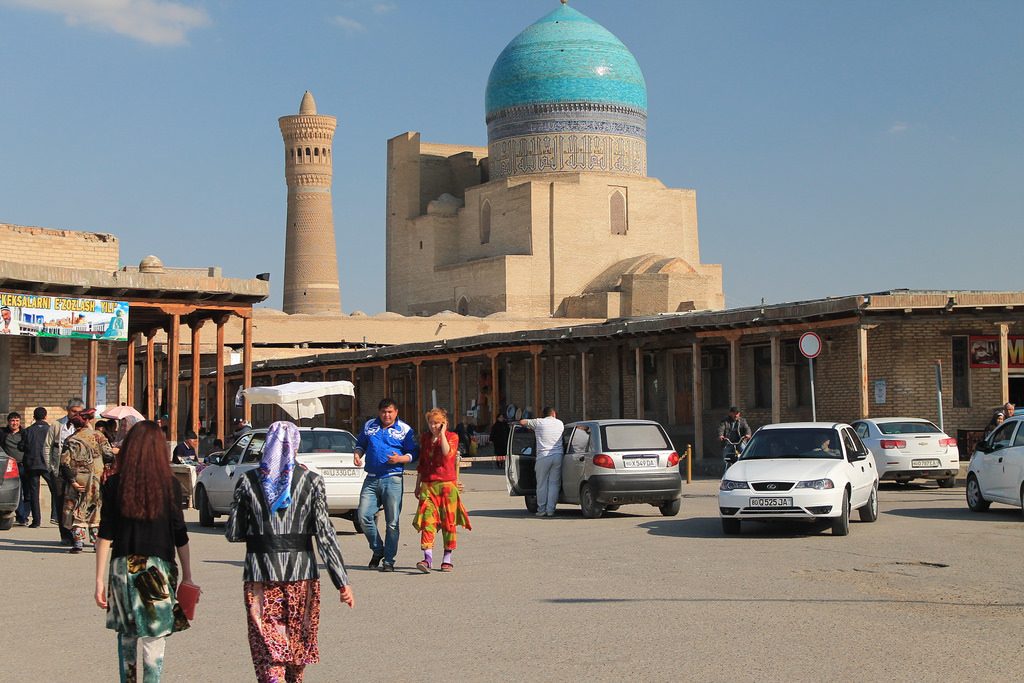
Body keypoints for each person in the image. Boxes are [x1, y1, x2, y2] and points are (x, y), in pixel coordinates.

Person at [226, 421, 354, 683]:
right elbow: (326, 536)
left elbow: (233, 532)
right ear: (295, 446)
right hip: (302, 575)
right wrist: (342, 582)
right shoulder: (312, 481)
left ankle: (273, 678)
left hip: (261, 574)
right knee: (296, 644)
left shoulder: (248, 482)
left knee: (267, 643)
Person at [94, 421, 196, 683]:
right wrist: (188, 575)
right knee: (154, 639)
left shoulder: (115, 484)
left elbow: (105, 534)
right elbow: (180, 534)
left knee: (126, 636)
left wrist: (99, 580)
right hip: (156, 570)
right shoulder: (170, 486)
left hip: (121, 568)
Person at [353, 398, 418, 571]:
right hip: (372, 478)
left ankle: (389, 560)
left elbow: (413, 453)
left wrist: (399, 459)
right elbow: (361, 444)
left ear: (396, 412)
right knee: (364, 516)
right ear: (379, 412)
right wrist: (357, 454)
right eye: (383, 411)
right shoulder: (369, 426)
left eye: (390, 412)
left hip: (393, 479)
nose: (386, 415)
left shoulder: (405, 430)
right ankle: (378, 549)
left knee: (392, 523)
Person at [413, 408, 471, 573]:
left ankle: (447, 559)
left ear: (444, 423)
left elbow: (447, 454)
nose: (433, 426)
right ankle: (427, 559)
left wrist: (443, 434)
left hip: (447, 486)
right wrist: (418, 485)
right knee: (427, 522)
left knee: (448, 523)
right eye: (431, 423)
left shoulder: (452, 437)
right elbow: (422, 464)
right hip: (428, 486)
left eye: (437, 423)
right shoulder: (425, 438)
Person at [60, 408, 113, 553]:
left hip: (77, 478)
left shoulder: (70, 440)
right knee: (95, 508)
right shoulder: (98, 436)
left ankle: (78, 543)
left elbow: (64, 463)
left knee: (76, 508)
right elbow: (109, 454)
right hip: (96, 478)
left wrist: (72, 481)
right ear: (87, 421)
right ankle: (96, 542)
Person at [46, 398, 84, 543]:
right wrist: (50, 466)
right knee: (61, 502)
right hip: (59, 471)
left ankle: (77, 535)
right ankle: (65, 535)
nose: (76, 414)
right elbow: (47, 446)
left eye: (79, 412)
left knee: (77, 503)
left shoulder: (85, 426)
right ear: (68, 410)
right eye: (73, 411)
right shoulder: (57, 425)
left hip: (78, 471)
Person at [519, 407, 564, 517]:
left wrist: (532, 423)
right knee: (554, 484)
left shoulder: (539, 422)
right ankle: (550, 510)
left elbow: (522, 422)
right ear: (554, 414)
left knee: (542, 484)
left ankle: (542, 509)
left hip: (543, 456)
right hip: (558, 456)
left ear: (544, 415)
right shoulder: (560, 423)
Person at [19, 408, 51, 528]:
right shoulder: (50, 430)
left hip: (32, 465)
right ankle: (57, 517)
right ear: (45, 416)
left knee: (34, 493)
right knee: (54, 491)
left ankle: (36, 521)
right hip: (47, 464)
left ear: (34, 417)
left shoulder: (28, 431)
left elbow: (22, 446)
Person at [1, 411, 26, 524]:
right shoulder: (3, 433)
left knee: (27, 492)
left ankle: (24, 516)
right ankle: (21, 516)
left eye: (16, 421)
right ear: (8, 422)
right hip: (9, 467)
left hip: (23, 466)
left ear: (19, 422)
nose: (14, 423)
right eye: (12, 421)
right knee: (17, 491)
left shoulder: (24, 433)